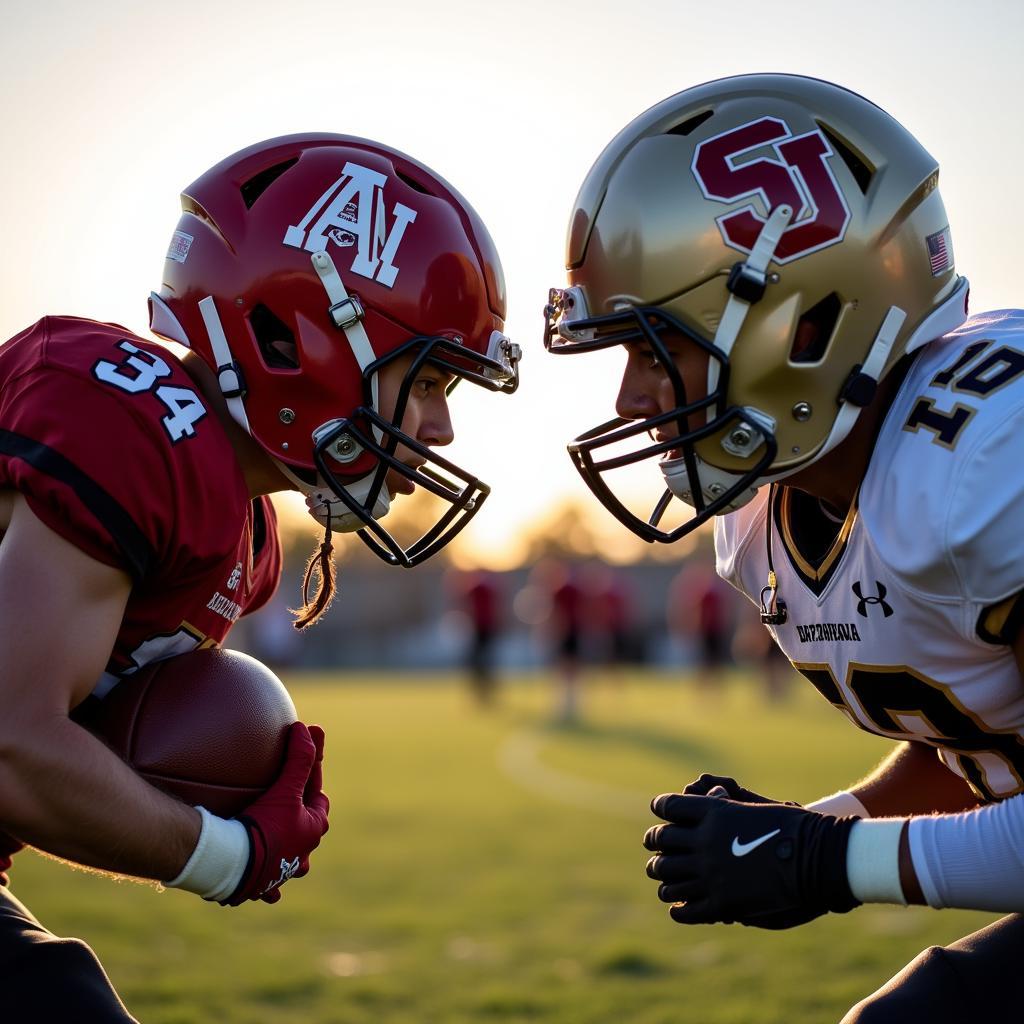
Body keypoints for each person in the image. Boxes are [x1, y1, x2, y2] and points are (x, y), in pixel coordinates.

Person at [0, 133, 519, 1020]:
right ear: (307, 338)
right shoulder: (132, 425)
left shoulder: (246, 533)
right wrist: (225, 853)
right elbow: (11, 741)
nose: (439, 428)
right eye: (428, 381)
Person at [544, 73, 1024, 1020]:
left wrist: (826, 863)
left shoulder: (986, 456)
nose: (631, 401)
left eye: (655, 348)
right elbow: (978, 747)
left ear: (804, 326)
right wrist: (807, 830)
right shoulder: (767, 518)